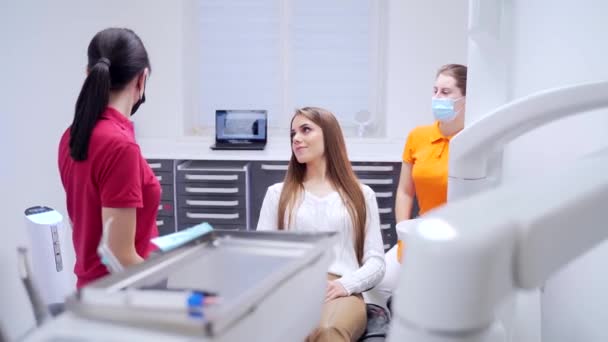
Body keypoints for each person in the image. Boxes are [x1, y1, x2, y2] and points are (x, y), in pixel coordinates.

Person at [257, 107, 386, 342]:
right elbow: (262, 258)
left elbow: (376, 260)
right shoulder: (277, 194)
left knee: (327, 330)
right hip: (291, 288)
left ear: (330, 136)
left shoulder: (361, 195)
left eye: (306, 130)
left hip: (340, 291)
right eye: (293, 133)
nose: (296, 138)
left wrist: (346, 285)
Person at [58, 28, 159, 288]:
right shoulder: (120, 146)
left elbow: (82, 222)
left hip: (92, 290)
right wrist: (172, 280)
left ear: (88, 74)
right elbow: (120, 256)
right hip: (124, 294)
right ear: (142, 79)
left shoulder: (72, 135)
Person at [395, 64, 468, 221]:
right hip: (424, 231)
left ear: (465, 99)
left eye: (445, 92)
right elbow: (405, 192)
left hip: (463, 234)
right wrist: (402, 233)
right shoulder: (417, 136)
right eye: (435, 91)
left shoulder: (473, 140)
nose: (437, 97)